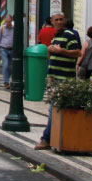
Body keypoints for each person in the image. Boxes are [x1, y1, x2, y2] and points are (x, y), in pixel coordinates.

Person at [35, 13, 81, 150]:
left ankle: (47, 139)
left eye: (61, 19)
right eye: (57, 20)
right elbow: (52, 57)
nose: (59, 21)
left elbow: (77, 52)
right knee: (56, 108)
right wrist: (50, 50)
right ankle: (58, 137)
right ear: (52, 22)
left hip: (65, 78)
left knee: (53, 108)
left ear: (64, 20)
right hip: (55, 77)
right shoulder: (56, 36)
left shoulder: (69, 34)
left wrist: (62, 51)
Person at [0, 14, 14, 89]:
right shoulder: (1, 28)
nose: (8, 23)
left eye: (9, 22)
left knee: (10, 67)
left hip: (12, 49)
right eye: (7, 22)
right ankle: (6, 82)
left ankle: (7, 80)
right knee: (5, 64)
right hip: (3, 49)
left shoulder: (14, 28)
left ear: (11, 21)